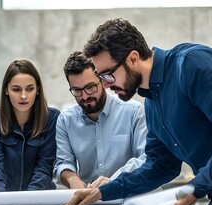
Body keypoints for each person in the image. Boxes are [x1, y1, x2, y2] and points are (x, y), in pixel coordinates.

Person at [56, 18, 212, 205]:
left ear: (133, 58)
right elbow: (161, 166)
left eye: (107, 74)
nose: (104, 84)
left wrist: (197, 187)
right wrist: (104, 191)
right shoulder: (152, 104)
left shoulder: (191, 64)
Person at [54, 51, 147, 189]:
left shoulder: (133, 112)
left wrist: (113, 181)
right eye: (77, 90)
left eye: (90, 87)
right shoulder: (65, 120)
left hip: (127, 195)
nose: (85, 96)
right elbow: (63, 163)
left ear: (103, 82)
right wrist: (71, 178)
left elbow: (145, 158)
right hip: (88, 201)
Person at [0, 59, 60, 192]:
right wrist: (1, 198)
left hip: (40, 199)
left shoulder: (52, 118)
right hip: (5, 199)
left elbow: (44, 166)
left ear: (38, 90)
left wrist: (27, 200)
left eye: (30, 89)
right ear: (6, 90)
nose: (23, 96)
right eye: (16, 89)